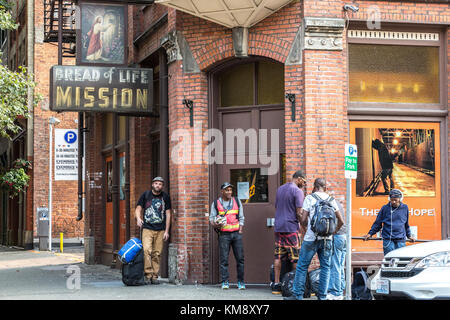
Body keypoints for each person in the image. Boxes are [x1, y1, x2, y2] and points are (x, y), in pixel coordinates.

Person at [285, 178, 344, 300]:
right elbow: (341, 221)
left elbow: (304, 221)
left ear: (315, 187)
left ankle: (298, 295)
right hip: (327, 239)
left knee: (302, 266)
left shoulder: (309, 198)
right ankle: (322, 296)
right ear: (325, 188)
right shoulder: (331, 200)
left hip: (311, 238)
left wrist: (300, 216)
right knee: (326, 267)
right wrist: (333, 232)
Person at [271, 170, 306, 295]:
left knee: (278, 256)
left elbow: (277, 207)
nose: (304, 184)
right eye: (304, 181)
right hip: (291, 228)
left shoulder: (280, 189)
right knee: (295, 258)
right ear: (299, 179)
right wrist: (304, 227)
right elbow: (299, 213)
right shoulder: (298, 191)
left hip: (279, 227)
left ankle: (276, 284)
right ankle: (296, 285)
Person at [135, 176, 171, 284]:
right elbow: (138, 208)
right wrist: (138, 218)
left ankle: (155, 277)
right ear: (152, 184)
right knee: (146, 251)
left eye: (160, 184)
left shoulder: (165, 197)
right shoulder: (146, 195)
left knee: (157, 253)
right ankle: (148, 274)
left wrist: (167, 231)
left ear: (162, 186)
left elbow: (168, 213)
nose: (158, 186)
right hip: (147, 228)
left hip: (160, 229)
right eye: (156, 183)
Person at [209, 182, 245, 290]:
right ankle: (225, 282)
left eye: (230, 190)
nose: (229, 192)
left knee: (240, 259)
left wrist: (240, 230)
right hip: (224, 234)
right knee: (224, 260)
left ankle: (241, 282)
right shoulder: (216, 203)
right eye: (227, 190)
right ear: (222, 191)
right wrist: (216, 224)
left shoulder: (237, 201)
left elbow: (241, 217)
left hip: (236, 234)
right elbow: (211, 218)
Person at [363, 189, 415, 255]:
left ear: (400, 199)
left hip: (401, 240)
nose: (393, 202)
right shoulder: (384, 208)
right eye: (391, 200)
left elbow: (406, 224)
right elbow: (378, 223)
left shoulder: (405, 208)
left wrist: (409, 236)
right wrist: (370, 234)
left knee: (400, 260)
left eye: (395, 200)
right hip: (388, 240)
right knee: (389, 259)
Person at [327, 191, 346, 300]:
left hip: (338, 236)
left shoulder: (330, 204)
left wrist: (334, 232)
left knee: (335, 265)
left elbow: (340, 222)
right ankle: (341, 289)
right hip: (344, 236)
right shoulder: (337, 203)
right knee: (340, 264)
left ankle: (336, 292)